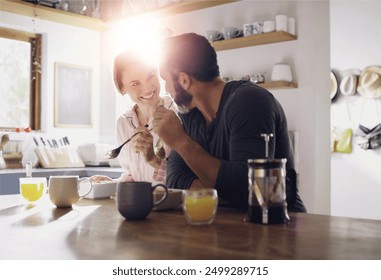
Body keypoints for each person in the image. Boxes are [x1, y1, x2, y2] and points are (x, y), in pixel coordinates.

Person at [153, 32, 306, 212]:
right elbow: (175, 177)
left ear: (184, 80)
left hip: (278, 229)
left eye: (165, 80)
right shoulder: (191, 115)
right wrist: (223, 190)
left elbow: (247, 191)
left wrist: (181, 142)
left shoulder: (249, 102)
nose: (166, 89)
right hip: (226, 229)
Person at [92, 50, 176, 184]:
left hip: (171, 202)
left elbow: (187, 177)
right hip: (139, 203)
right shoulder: (123, 123)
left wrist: (154, 160)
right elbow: (133, 174)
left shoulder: (176, 114)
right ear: (122, 88)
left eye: (150, 76)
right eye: (135, 83)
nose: (147, 88)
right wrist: (113, 184)